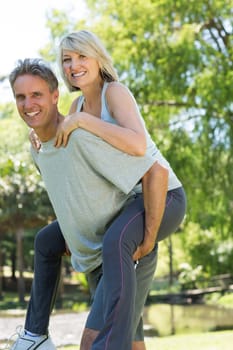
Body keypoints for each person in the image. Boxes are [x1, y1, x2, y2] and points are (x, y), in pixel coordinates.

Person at [8, 58, 186, 350]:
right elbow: (69, 194)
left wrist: (148, 239)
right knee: (132, 343)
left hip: (127, 247)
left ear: (55, 97)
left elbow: (156, 172)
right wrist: (71, 230)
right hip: (97, 253)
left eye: (37, 94)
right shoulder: (38, 149)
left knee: (93, 344)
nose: (28, 104)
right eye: (21, 97)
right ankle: (35, 335)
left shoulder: (81, 138)